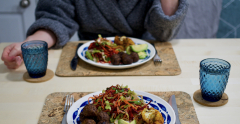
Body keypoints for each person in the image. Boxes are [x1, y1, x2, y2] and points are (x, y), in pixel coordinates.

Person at [1, 0, 188, 69]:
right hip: (91, 61)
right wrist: (32, 42)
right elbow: (56, 16)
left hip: (143, 60)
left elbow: (164, 32)